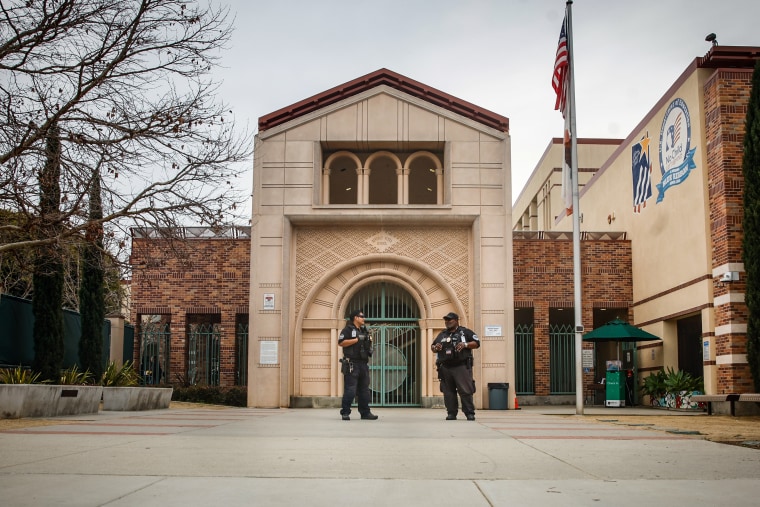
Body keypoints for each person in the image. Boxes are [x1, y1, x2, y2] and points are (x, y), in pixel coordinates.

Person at [431, 312, 480, 420]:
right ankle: (451, 413)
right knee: (448, 392)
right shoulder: (442, 334)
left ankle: (469, 413)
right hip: (446, 367)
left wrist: (465, 344)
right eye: (446, 320)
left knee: (465, 391)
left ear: (456, 320)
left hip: (461, 366)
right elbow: (433, 346)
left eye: (450, 320)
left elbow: (476, 343)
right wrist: (436, 347)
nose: (447, 322)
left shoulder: (464, 332)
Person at [338, 310, 378, 421]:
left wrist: (369, 348)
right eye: (362, 316)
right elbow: (341, 342)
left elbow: (368, 344)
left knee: (364, 390)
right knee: (350, 389)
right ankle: (345, 412)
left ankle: (365, 413)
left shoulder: (364, 330)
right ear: (355, 317)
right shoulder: (348, 330)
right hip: (352, 363)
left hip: (363, 364)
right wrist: (356, 339)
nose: (363, 318)